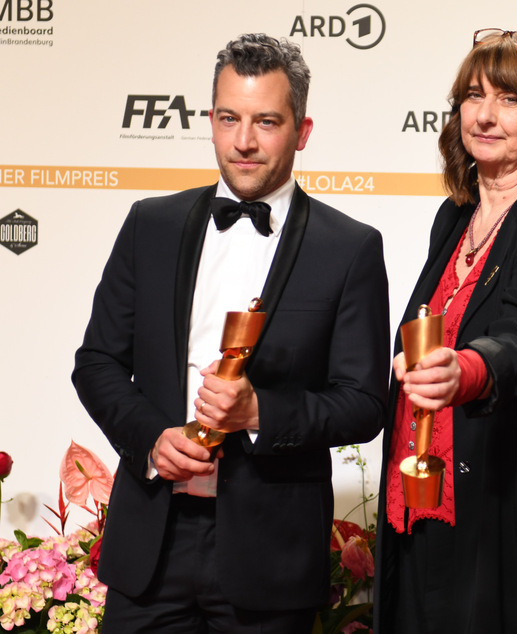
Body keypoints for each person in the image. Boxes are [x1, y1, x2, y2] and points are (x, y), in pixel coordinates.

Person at [72, 33, 389, 632]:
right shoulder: (150, 225)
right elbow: (97, 363)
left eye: (266, 121)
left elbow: (364, 403)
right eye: (228, 118)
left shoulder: (349, 249)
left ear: (303, 129)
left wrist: (258, 413)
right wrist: (151, 439)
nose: (243, 141)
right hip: (150, 546)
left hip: (270, 558)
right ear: (210, 119)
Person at [374, 28, 517, 634]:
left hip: (505, 505)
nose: (484, 114)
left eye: (509, 99)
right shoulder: (453, 217)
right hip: (422, 498)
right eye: (473, 96)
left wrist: (467, 369)